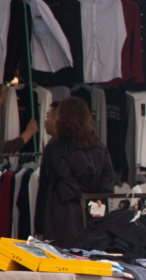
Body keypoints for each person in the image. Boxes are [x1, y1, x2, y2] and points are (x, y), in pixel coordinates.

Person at [40, 97, 114, 249]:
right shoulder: (100, 147)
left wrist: (39, 226)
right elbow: (107, 182)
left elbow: (50, 186)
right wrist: (97, 201)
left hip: (66, 218)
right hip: (96, 217)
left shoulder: (56, 148)